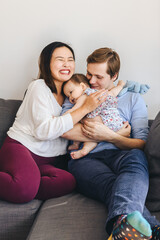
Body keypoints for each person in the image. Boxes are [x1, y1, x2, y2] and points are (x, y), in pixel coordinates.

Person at [61, 47, 160, 240]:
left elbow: (141, 143)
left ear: (114, 76)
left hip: (123, 155)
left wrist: (110, 136)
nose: (90, 81)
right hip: (84, 159)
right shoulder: (76, 92)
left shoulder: (133, 99)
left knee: (137, 159)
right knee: (117, 186)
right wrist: (91, 115)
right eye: (89, 73)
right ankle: (145, 228)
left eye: (98, 76)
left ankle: (127, 227)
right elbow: (63, 129)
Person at [0, 42, 108, 204]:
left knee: (68, 181)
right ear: (47, 64)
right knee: (23, 190)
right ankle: (24, 184)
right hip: (22, 147)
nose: (66, 64)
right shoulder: (38, 87)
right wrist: (84, 108)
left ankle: (27, 181)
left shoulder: (72, 95)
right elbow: (43, 131)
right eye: (60, 59)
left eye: (70, 59)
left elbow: (84, 128)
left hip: (48, 160)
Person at [63, 73, 127, 159]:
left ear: (82, 86)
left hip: (104, 121)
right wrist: (120, 85)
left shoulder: (84, 96)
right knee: (91, 134)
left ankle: (77, 144)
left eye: (71, 92)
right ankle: (84, 150)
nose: (70, 98)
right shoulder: (98, 93)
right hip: (115, 122)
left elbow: (73, 111)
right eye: (68, 96)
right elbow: (112, 93)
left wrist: (60, 118)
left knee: (84, 125)